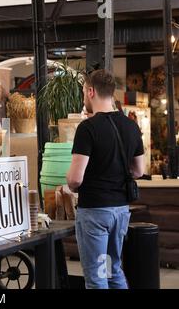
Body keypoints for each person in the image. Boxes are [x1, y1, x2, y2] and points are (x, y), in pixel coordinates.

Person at [66, 69, 145, 289]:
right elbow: (139, 170)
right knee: (112, 270)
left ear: (90, 91)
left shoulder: (87, 128)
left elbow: (75, 179)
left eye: (83, 92)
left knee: (96, 277)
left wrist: (68, 180)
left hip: (95, 213)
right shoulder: (131, 126)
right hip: (120, 211)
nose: (84, 97)